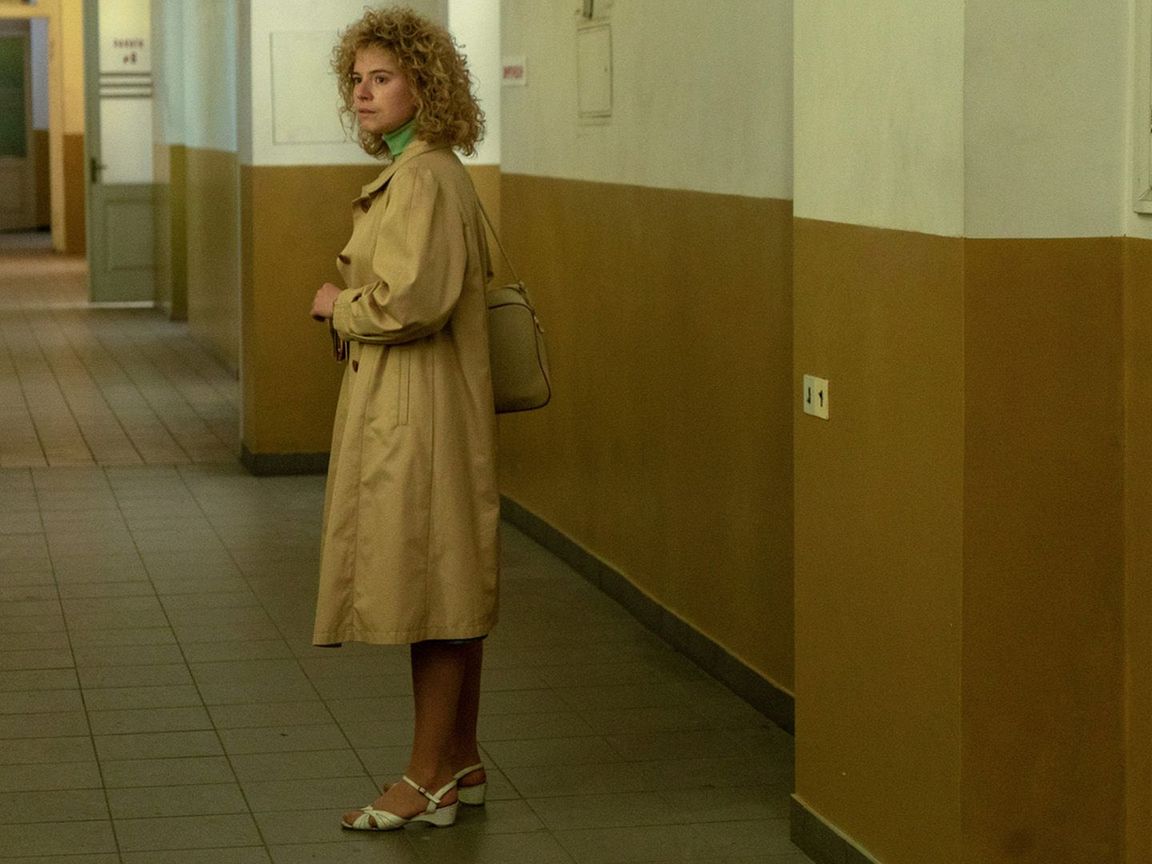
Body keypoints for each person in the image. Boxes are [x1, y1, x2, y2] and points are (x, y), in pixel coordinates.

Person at [308, 5, 498, 832]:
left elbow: (412, 301)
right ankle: (460, 758)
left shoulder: (421, 177)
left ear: (425, 86)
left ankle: (425, 780)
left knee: (428, 589)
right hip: (425, 403)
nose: (363, 93)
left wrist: (338, 305)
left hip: (418, 411)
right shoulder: (427, 169)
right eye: (356, 79)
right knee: (445, 577)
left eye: (382, 78)